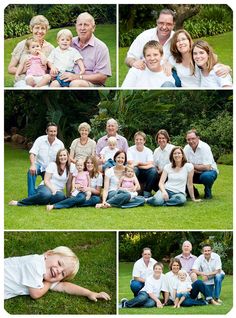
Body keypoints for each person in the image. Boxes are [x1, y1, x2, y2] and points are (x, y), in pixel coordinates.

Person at [4, 246, 111, 302]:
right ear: (48, 254)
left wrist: (89, 293)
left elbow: (64, 286)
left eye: (63, 273)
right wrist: (48, 283)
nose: (59, 271)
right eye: (59, 263)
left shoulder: (48, 274)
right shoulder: (35, 264)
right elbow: (35, 294)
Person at [58, 12, 112, 87]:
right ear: (76, 27)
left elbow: (102, 77)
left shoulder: (101, 47)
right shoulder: (69, 43)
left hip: (90, 84)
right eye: (80, 24)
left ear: (93, 28)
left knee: (76, 84)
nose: (82, 28)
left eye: (86, 25)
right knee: (55, 84)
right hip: (67, 79)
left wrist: (77, 77)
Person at [8, 15, 54, 87]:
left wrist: (47, 70)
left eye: (43, 28)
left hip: (41, 81)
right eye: (37, 28)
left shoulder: (50, 48)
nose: (40, 31)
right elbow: (10, 69)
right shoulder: (22, 45)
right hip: (23, 80)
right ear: (31, 29)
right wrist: (23, 70)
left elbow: (53, 70)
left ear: (46, 30)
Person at [26, 122, 64, 197]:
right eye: (51, 131)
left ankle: (42, 191)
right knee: (31, 172)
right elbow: (32, 153)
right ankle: (31, 195)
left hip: (51, 168)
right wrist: (33, 165)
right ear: (46, 131)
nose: (53, 133)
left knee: (48, 192)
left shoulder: (60, 144)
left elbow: (62, 158)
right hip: (39, 165)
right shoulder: (40, 140)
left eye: (55, 131)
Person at [183, 129, 218, 199]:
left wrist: (192, 165)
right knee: (181, 174)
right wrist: (193, 169)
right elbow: (184, 164)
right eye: (188, 139)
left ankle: (208, 191)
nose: (191, 141)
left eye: (193, 139)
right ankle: (193, 192)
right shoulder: (186, 148)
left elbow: (207, 167)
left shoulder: (205, 147)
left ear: (198, 138)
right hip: (194, 172)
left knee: (206, 177)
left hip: (209, 172)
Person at [127, 131, 158, 198]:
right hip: (135, 171)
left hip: (145, 172)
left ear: (144, 141)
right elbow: (130, 162)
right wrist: (144, 165)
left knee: (153, 171)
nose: (138, 141)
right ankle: (132, 191)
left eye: (140, 139)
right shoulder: (130, 150)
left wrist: (138, 163)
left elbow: (151, 164)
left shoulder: (148, 151)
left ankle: (147, 193)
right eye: (137, 139)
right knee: (134, 169)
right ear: (134, 140)